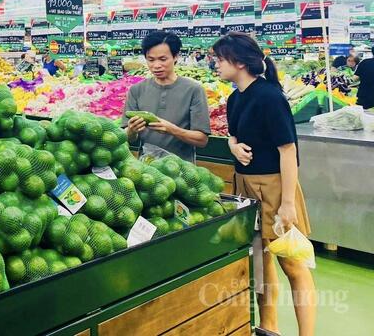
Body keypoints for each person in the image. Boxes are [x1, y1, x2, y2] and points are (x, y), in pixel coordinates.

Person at [212, 32, 315, 336]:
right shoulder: (234, 98)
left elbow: (288, 151)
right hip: (245, 187)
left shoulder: (270, 97)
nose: (215, 64)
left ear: (240, 62)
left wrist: (286, 203)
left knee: (293, 264)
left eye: (219, 59)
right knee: (261, 261)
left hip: (275, 187)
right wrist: (232, 145)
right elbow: (234, 134)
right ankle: (269, 327)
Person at [123, 30, 210, 161]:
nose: (156, 65)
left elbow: (202, 140)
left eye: (163, 59)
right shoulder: (136, 90)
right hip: (146, 171)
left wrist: (172, 130)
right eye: (151, 60)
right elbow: (126, 138)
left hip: (183, 172)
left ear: (176, 57)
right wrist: (131, 130)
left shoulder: (194, 90)